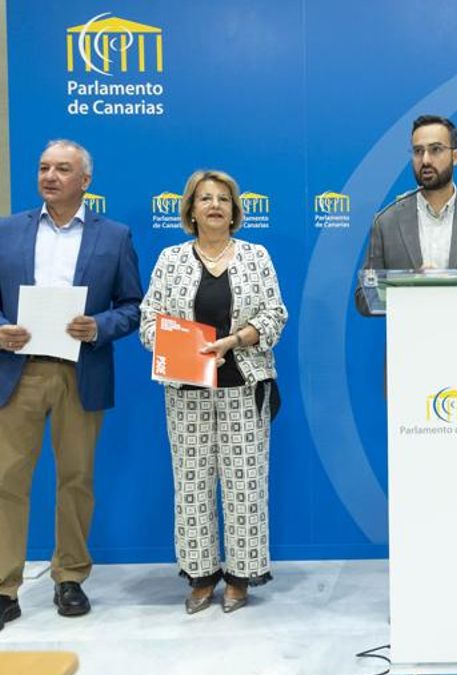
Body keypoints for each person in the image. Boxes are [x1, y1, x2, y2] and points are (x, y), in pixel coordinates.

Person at [0, 139, 142, 637]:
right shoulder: (6, 230)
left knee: (76, 479)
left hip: (80, 372)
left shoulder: (115, 236)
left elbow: (133, 305)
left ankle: (70, 578)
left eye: (63, 169)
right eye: (44, 167)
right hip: (18, 371)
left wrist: (100, 326)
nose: (50, 176)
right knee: (6, 482)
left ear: (85, 181)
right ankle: (0, 591)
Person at [140, 169, 288, 614]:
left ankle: (240, 577)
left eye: (223, 198)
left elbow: (275, 315)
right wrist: (189, 349)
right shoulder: (170, 259)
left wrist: (234, 340)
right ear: (191, 209)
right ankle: (202, 575)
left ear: (235, 209)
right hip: (187, 388)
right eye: (205, 198)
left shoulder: (256, 256)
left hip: (245, 384)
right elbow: (149, 322)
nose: (215, 205)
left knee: (246, 482)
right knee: (191, 482)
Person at [354, 114, 457, 315]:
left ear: (455, 156)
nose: (425, 160)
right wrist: (409, 285)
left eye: (435, 149)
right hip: (410, 334)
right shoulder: (386, 221)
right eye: (418, 151)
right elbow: (364, 298)